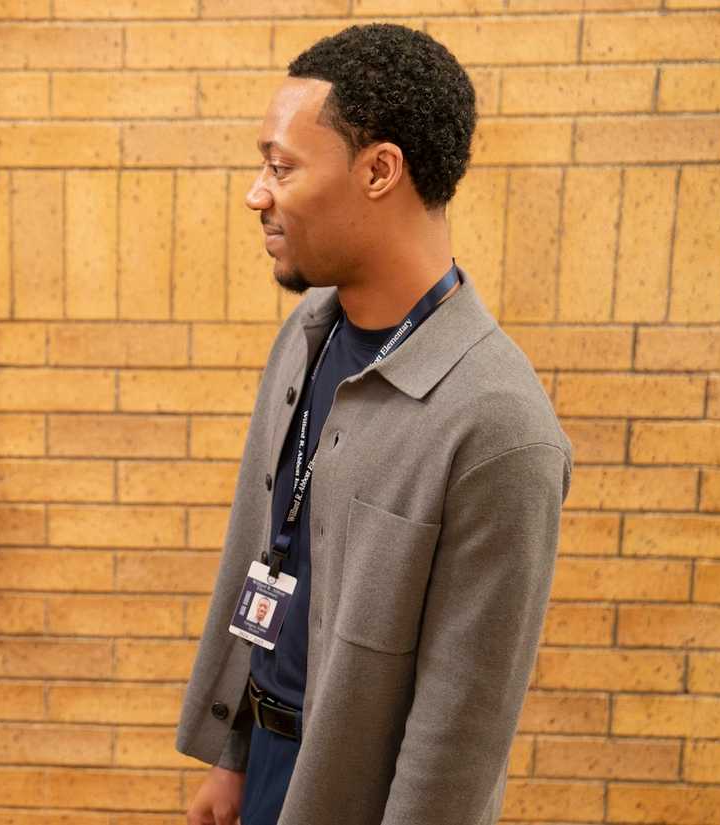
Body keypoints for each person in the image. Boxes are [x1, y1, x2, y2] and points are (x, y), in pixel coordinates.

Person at [177, 24, 570, 825]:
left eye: (281, 166)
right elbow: (276, 562)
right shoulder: (307, 335)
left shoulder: (498, 425)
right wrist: (237, 758)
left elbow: (460, 733)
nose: (258, 192)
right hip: (264, 772)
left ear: (380, 170)